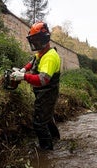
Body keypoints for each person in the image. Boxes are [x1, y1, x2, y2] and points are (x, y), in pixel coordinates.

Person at [10, 21, 61, 150]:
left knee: (39, 123)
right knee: (47, 118)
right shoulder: (42, 53)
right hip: (43, 93)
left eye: (36, 40)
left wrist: (23, 77)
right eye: (33, 40)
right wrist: (23, 70)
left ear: (44, 39)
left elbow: (42, 80)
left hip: (47, 94)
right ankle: (56, 140)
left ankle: (47, 151)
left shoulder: (50, 57)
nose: (34, 43)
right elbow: (32, 61)